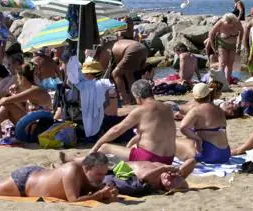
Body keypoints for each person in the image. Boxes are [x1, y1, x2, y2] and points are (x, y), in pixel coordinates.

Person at [0, 153, 119, 203]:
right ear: (86, 167)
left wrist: (105, 194)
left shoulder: (88, 174)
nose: (102, 178)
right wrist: (97, 195)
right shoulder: (71, 170)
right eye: (99, 174)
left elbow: (88, 189)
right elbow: (74, 200)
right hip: (24, 183)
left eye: (104, 174)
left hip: (34, 176)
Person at [89, 80, 176, 165]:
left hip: (150, 158)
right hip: (168, 160)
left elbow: (117, 129)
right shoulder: (167, 108)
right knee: (133, 147)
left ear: (137, 96)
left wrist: (95, 147)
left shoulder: (141, 110)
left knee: (105, 148)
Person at [59, 153, 190, 195]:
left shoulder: (155, 179)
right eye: (174, 176)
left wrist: (164, 170)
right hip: (123, 164)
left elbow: (144, 178)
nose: (170, 177)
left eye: (170, 182)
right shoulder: (167, 170)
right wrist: (178, 171)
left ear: (166, 188)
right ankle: (69, 162)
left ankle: (68, 163)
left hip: (119, 170)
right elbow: (193, 161)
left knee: (98, 161)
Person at [176, 83, 231, 164]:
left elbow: (183, 128)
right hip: (225, 154)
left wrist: (198, 140)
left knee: (173, 141)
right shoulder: (219, 109)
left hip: (209, 155)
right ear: (209, 94)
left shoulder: (196, 110)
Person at [107, 39, 149, 105]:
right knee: (129, 74)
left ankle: (125, 99)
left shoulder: (111, 49)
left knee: (115, 73)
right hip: (143, 48)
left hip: (132, 49)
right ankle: (134, 98)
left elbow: (116, 67)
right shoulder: (118, 43)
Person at [208, 13, 243, 83]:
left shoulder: (237, 22)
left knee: (230, 64)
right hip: (222, 45)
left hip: (233, 46)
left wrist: (239, 44)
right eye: (227, 23)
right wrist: (213, 47)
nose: (230, 26)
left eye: (231, 23)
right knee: (222, 63)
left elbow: (242, 31)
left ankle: (227, 82)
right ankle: (220, 82)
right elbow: (211, 34)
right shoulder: (220, 23)